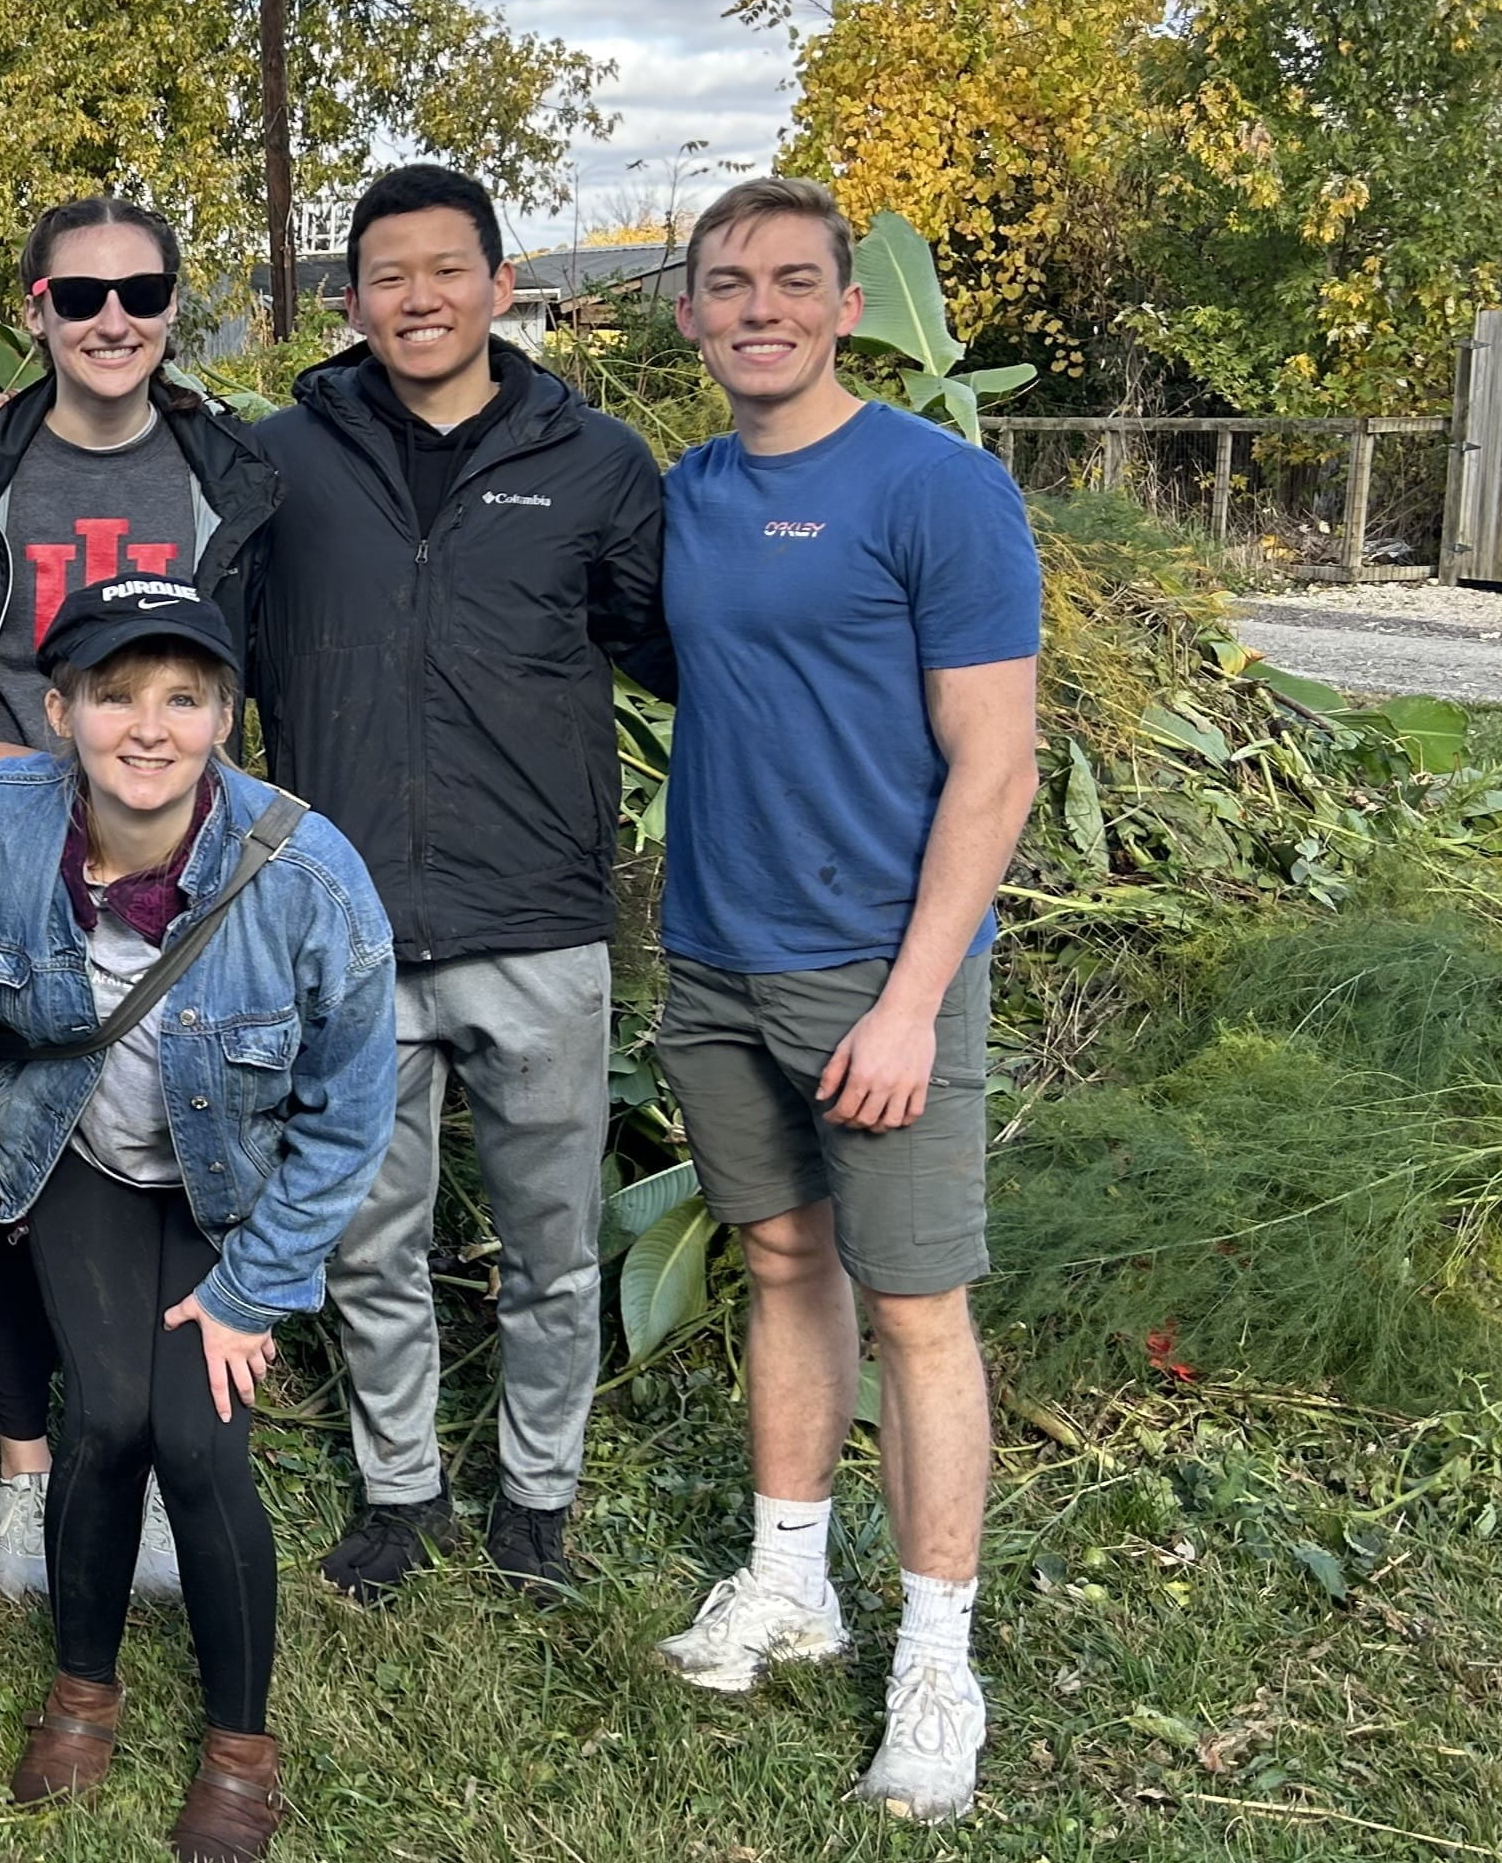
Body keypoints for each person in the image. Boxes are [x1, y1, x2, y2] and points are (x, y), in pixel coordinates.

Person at [645, 176, 1040, 1827]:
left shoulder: (936, 490)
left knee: (918, 1309)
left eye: (794, 281)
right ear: (688, 313)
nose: (760, 307)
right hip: (716, 955)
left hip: (881, 973)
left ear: (844, 303)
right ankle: (790, 1574)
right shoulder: (690, 493)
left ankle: (938, 1656)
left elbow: (998, 766)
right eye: (728, 282)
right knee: (785, 1258)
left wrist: (911, 997)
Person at [0, 574, 396, 1863]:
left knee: (199, 1441)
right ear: (57, 708)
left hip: (227, 1187)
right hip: (74, 1154)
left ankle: (240, 1744)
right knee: (109, 1417)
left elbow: (351, 1110)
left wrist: (256, 1287)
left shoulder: (306, 872)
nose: (146, 725)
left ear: (223, 714)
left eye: (182, 696)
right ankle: (84, 1685)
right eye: (114, 694)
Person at [260, 163, 667, 1603]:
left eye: (446, 270)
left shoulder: (600, 464)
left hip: (538, 919)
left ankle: (537, 1501)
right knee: (373, 1238)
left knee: (552, 1239)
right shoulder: (282, 461)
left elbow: (674, 649)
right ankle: (398, 1489)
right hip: (352, 922)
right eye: (386, 274)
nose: (417, 298)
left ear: (501, 286)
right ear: (352, 297)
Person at [0, 195, 279, 1600]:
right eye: (81, 295)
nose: (112, 317)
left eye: (140, 290)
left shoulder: (229, 476)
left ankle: (168, 1473)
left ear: (174, 305)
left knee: (187, 1152)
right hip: (14, 873)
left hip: (187, 872)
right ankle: (27, 1471)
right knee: (15, 1173)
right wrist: (4, 772)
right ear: (34, 308)